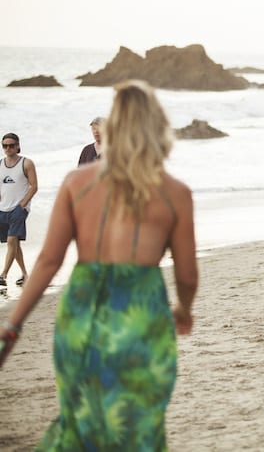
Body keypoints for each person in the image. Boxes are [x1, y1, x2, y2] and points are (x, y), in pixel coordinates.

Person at [0, 80, 199, 450]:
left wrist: (12, 326)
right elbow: (187, 273)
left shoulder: (78, 182)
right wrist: (183, 309)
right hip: (144, 315)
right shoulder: (175, 193)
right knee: (140, 426)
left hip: (83, 312)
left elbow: (48, 261)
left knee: (80, 419)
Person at [0, 133, 38, 288]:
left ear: (17, 146)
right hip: (3, 209)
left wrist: (22, 205)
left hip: (19, 209)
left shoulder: (26, 163)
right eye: (5, 146)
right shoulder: (0, 164)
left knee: (11, 241)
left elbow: (34, 186)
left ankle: (3, 275)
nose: (8, 148)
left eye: (11, 145)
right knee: (14, 244)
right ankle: (24, 274)